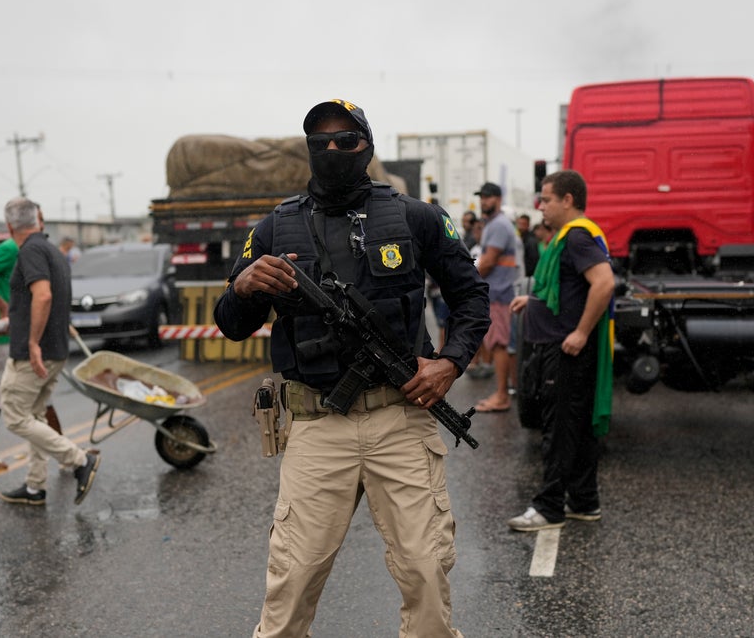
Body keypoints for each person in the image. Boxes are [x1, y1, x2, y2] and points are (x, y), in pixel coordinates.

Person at [214, 99, 489, 638]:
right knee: (290, 584)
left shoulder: (417, 217)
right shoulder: (273, 228)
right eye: (321, 143)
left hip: (401, 417)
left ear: (368, 144)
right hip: (316, 426)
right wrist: (243, 286)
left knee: (427, 573)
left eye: (347, 141)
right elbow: (232, 323)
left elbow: (471, 298)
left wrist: (450, 364)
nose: (333, 151)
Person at [507, 170, 615, 532]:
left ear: (567, 200)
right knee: (578, 428)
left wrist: (581, 332)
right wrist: (534, 300)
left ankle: (549, 507)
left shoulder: (577, 237)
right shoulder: (570, 237)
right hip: (562, 346)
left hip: (566, 349)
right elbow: (566, 289)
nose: (540, 206)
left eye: (547, 199)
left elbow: (603, 284)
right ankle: (584, 502)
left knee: (558, 429)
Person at [0, 198, 99, 506]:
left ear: (9, 226)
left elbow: (42, 296)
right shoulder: (52, 250)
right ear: (38, 221)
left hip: (36, 352)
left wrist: (31, 343)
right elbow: (42, 300)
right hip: (55, 348)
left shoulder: (30, 251)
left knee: (15, 417)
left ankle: (80, 460)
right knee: (35, 415)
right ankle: (34, 486)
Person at [0, 226, 64, 473]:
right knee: (33, 391)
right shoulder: (11, 248)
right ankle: (65, 453)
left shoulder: (31, 249)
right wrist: (2, 304)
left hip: (17, 332)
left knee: (3, 390)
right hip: (8, 334)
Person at [472, 182, 521, 413]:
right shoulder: (494, 224)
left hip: (500, 294)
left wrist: (467, 282)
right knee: (498, 344)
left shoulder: (499, 225)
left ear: (498, 199)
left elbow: (489, 261)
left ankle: (502, 396)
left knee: (500, 345)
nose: (484, 201)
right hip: (497, 293)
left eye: (488, 197)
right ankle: (502, 392)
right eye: (481, 197)